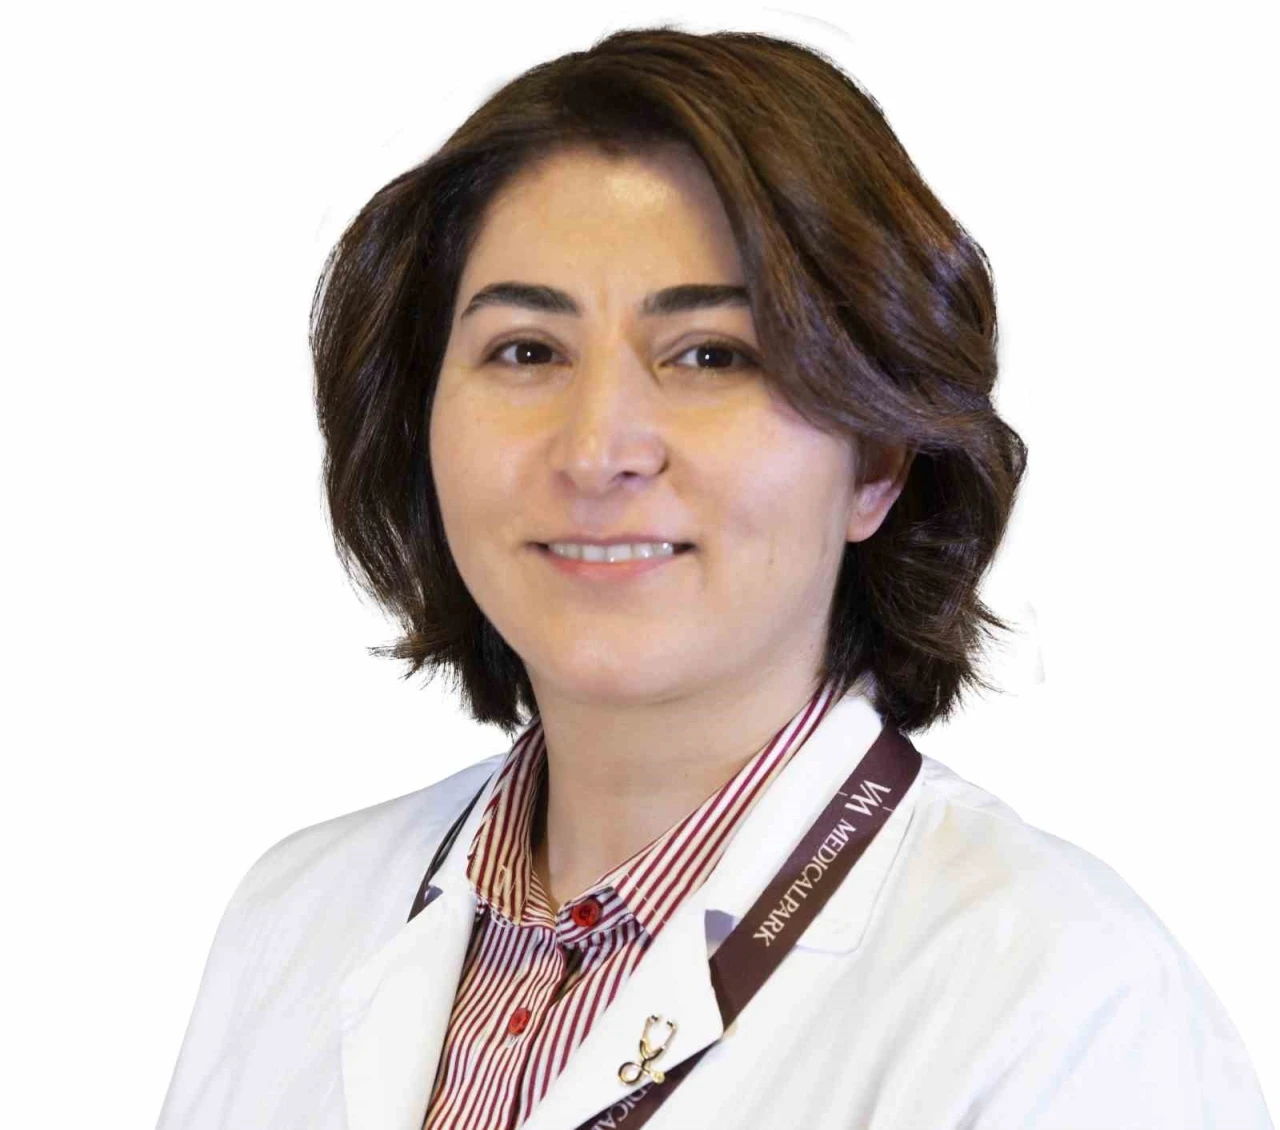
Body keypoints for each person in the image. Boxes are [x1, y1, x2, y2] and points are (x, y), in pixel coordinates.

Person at [155, 26, 1273, 1130]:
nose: (597, 450)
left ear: (878, 461)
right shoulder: (294, 917)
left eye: (710, 355)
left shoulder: (1061, 1000)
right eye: (526, 351)